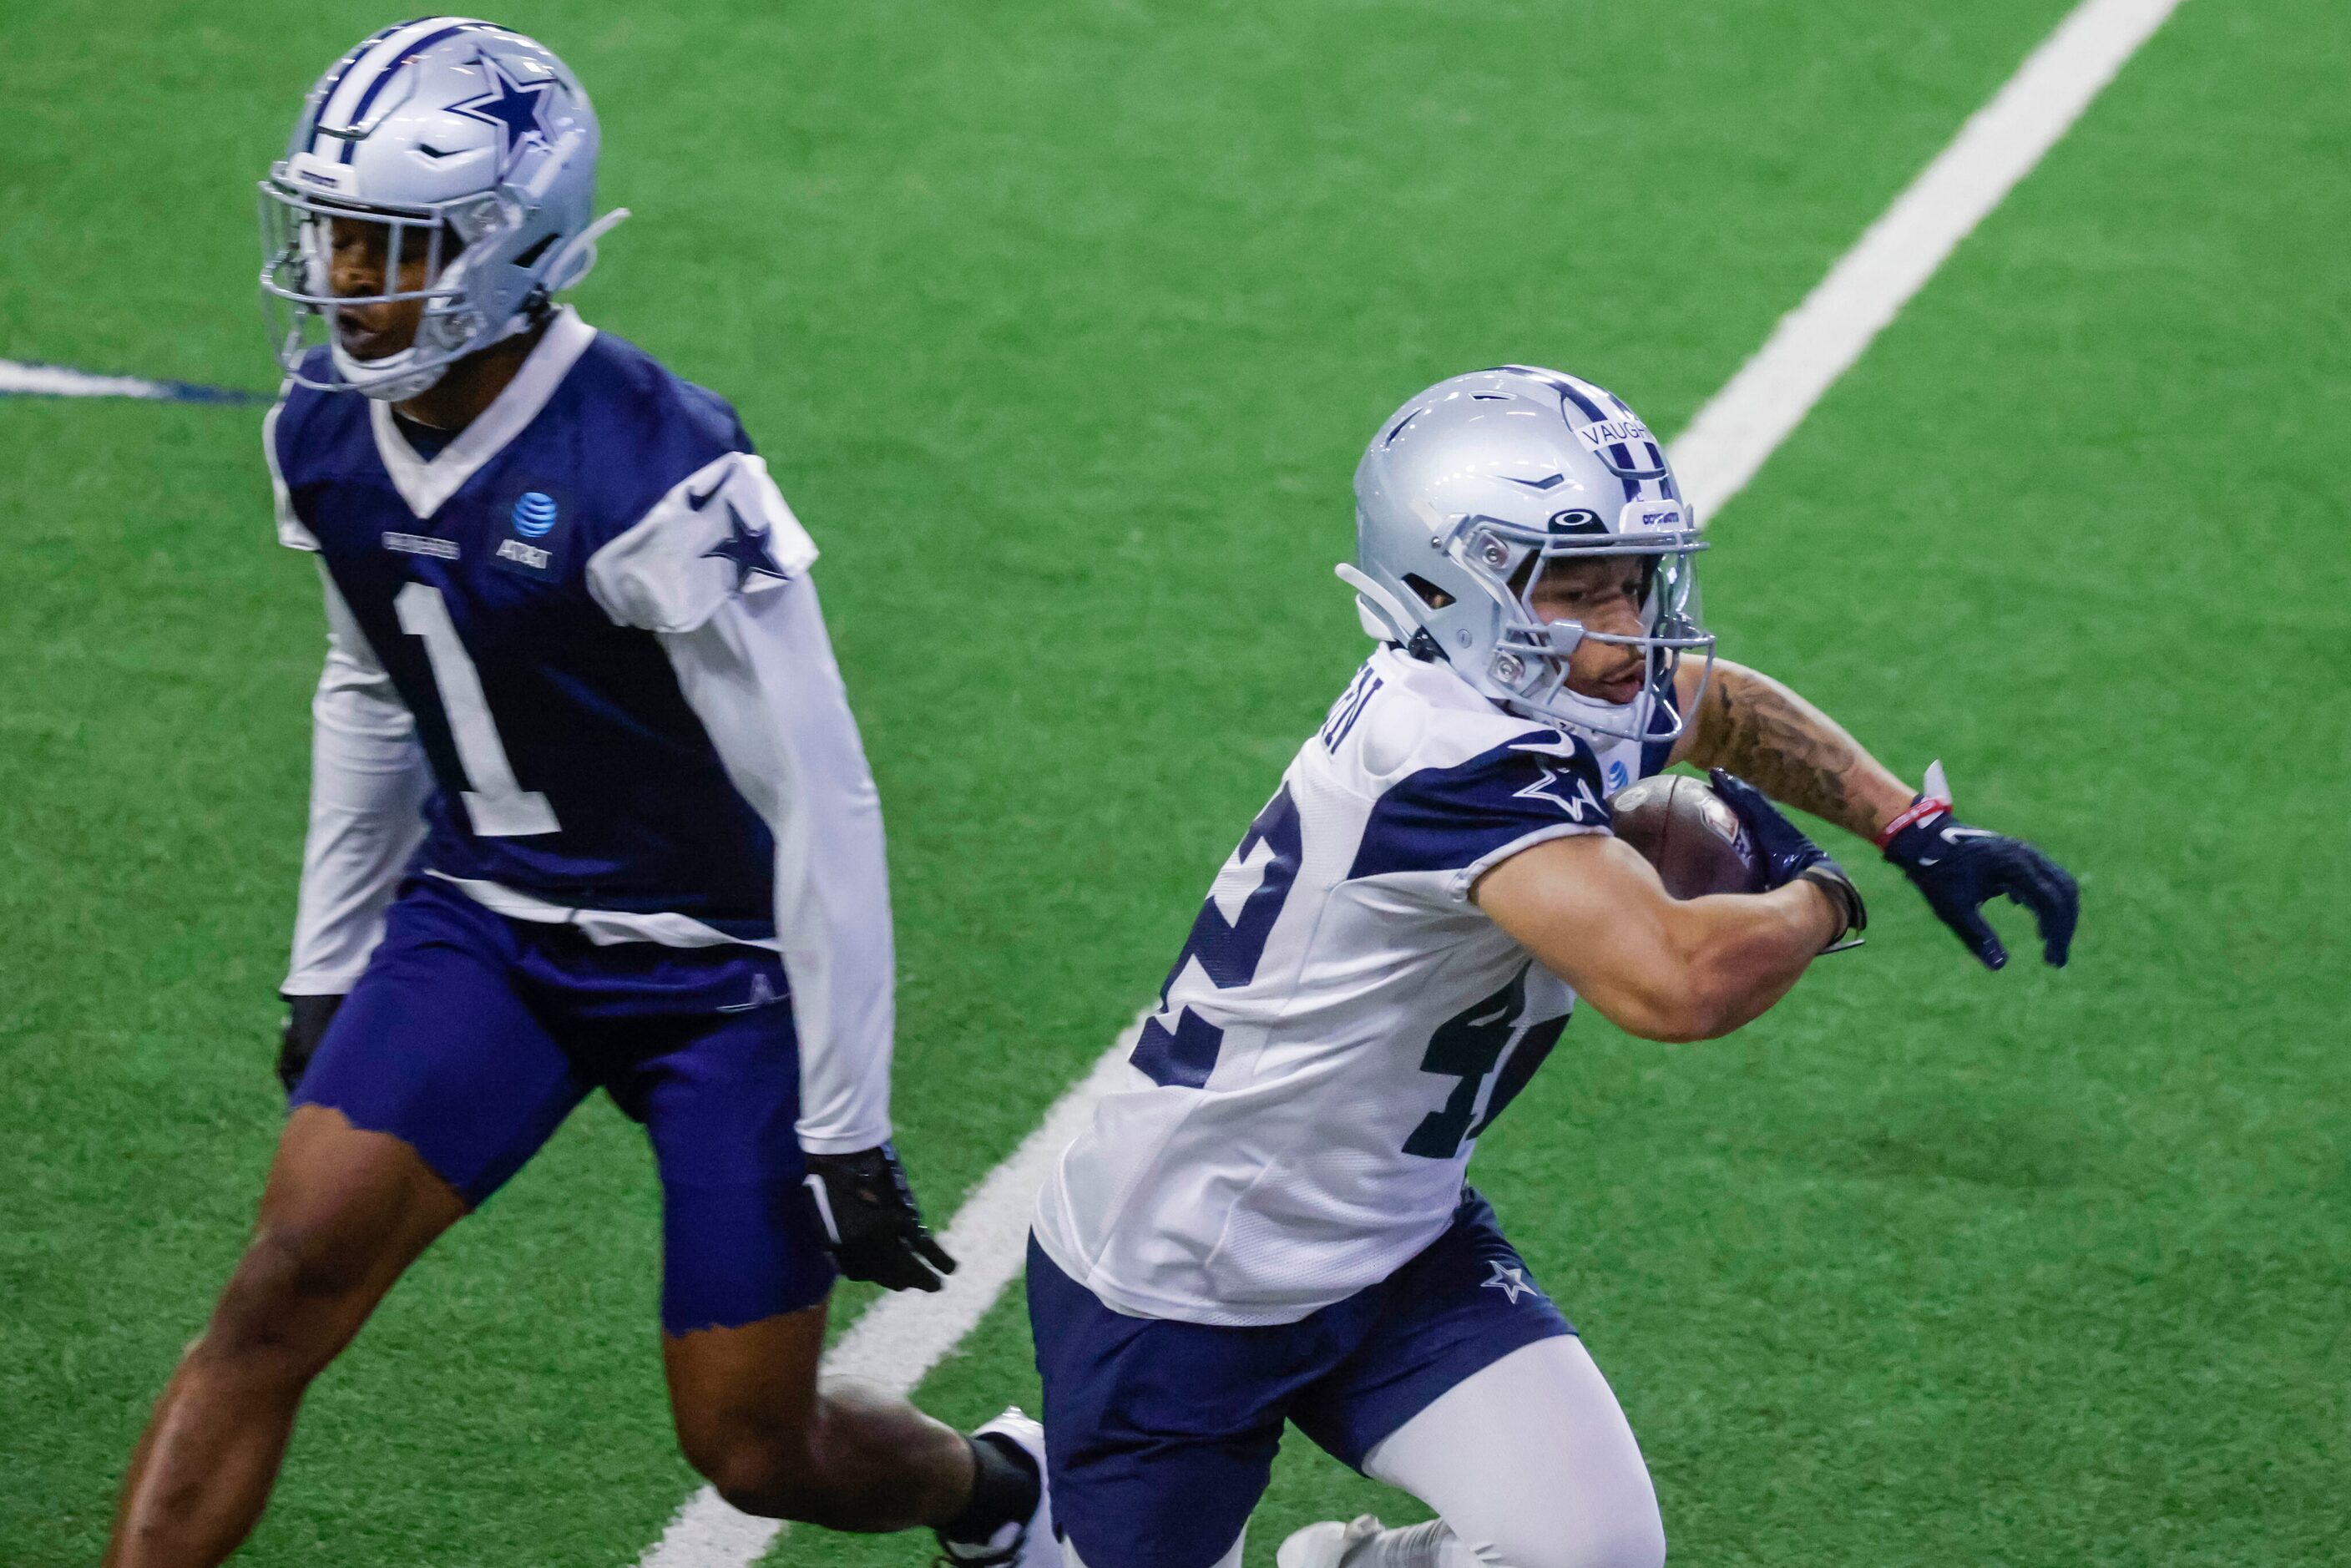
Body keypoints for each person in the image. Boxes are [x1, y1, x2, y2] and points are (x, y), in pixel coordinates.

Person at [104, 20, 1051, 1567]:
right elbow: (367, 683)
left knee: (754, 1445)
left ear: (510, 243)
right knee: (275, 1295)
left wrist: (850, 1130)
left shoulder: (656, 468)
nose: (342, 274)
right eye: (333, 230)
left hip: (722, 980)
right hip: (486, 925)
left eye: (389, 243)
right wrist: (326, 956)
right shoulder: (322, 428)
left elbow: (826, 796)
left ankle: (999, 1492)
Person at [1025, 365, 2078, 1568]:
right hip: (1184, 1278)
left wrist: (1905, 822)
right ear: (1442, 588)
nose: (1626, 630)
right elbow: (1676, 984)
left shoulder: (1529, 678)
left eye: (1632, 582)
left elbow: (1710, 701)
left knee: (1597, 1552)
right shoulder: (1443, 749)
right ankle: (1017, 1500)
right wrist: (1822, 896)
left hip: (1394, 1236)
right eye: (1579, 592)